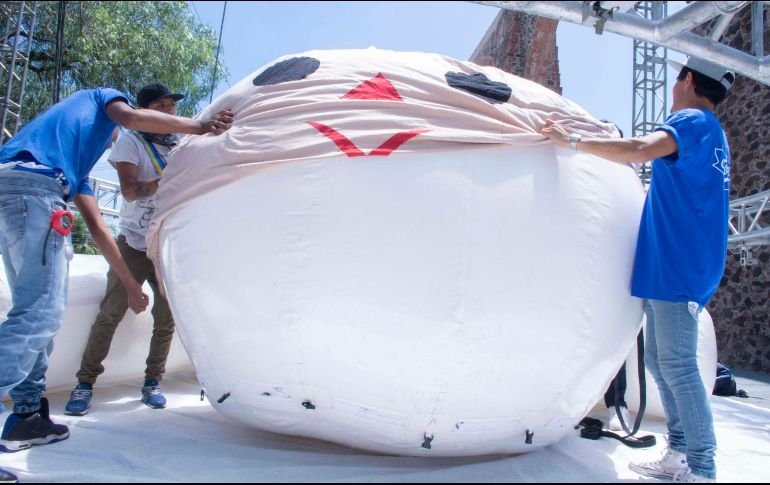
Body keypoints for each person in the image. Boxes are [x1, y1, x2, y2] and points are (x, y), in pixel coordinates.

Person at [0, 86, 234, 462]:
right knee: (39, 315)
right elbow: (130, 119)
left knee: (38, 316)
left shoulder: (73, 170)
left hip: (22, 190)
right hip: (34, 189)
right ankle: (69, 391)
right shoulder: (102, 99)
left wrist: (130, 285)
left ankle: (26, 417)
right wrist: (201, 126)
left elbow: (98, 229)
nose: (110, 142)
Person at [542, 56, 734, 483]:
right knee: (663, 364)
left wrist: (572, 141)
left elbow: (641, 150)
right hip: (674, 263)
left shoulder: (692, 121)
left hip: (678, 266)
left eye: (677, 80)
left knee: (678, 366)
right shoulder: (714, 133)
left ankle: (702, 467)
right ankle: (680, 452)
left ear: (687, 79)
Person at [63, 83, 190, 416]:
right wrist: (169, 178)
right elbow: (131, 192)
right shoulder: (131, 142)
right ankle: (84, 383)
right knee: (110, 313)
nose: (169, 111)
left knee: (166, 318)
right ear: (143, 111)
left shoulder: (184, 144)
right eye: (160, 106)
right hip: (133, 243)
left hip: (168, 247)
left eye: (171, 105)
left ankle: (152, 382)